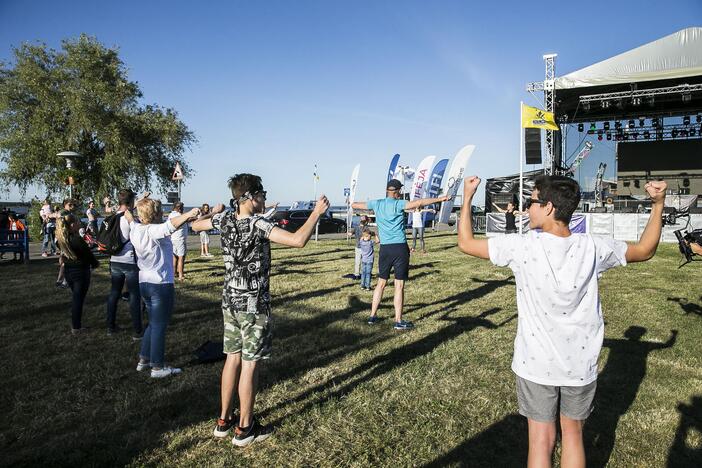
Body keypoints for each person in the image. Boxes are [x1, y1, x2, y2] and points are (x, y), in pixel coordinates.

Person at [456, 174, 667, 468]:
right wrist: (658, 205)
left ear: (549, 207)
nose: (525, 208)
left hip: (535, 364)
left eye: (530, 201)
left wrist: (466, 198)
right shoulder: (593, 247)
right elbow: (645, 251)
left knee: (541, 440)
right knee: (573, 436)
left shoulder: (521, 247)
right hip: (579, 366)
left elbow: (466, 243)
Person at [191, 173, 329, 448]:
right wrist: (316, 213)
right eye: (262, 195)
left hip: (229, 301)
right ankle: (244, 428)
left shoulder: (225, 220)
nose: (264, 199)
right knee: (250, 363)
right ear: (250, 198)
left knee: (232, 358)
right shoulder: (258, 224)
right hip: (253, 305)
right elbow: (297, 240)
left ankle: (223, 421)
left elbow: (195, 226)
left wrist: (216, 212)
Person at [351, 179, 450, 330]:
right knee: (399, 285)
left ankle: (372, 316)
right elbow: (420, 202)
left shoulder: (377, 203)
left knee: (381, 283)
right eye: (400, 191)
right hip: (399, 248)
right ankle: (398, 321)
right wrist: (440, 198)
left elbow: (355, 205)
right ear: (397, 192)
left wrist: (354, 203)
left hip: (385, 249)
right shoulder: (399, 204)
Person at [124, 198, 200, 378]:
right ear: (157, 214)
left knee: (153, 323)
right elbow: (169, 226)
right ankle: (157, 367)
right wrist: (189, 214)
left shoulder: (135, 228)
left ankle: (144, 359)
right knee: (159, 325)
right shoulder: (153, 230)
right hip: (160, 284)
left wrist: (130, 209)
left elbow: (129, 217)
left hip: (144, 283)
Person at [105, 189, 143, 339]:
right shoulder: (129, 219)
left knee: (114, 293)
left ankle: (110, 326)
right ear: (130, 202)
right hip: (129, 261)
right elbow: (138, 237)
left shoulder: (112, 216)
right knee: (134, 295)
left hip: (114, 260)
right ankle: (138, 331)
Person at [55, 213, 99, 334]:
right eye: (78, 223)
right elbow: (88, 255)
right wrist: (95, 263)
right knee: (78, 299)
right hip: (80, 271)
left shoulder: (61, 239)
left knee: (76, 297)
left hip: (69, 271)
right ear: (72, 225)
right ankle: (76, 327)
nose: (80, 224)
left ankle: (76, 325)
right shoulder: (76, 239)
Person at [54, 198, 77, 288]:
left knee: (64, 260)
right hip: (64, 239)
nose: (72, 206)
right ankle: (64, 281)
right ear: (65, 205)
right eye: (70, 205)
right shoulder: (64, 212)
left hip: (63, 239)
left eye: (73, 205)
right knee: (68, 261)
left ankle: (60, 280)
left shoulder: (70, 213)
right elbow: (58, 214)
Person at [168, 202, 188, 281]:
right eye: (182, 208)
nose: (183, 209)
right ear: (179, 208)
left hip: (172, 238)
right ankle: (181, 275)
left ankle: (174, 273)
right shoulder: (179, 215)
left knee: (174, 257)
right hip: (180, 239)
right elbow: (187, 219)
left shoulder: (171, 215)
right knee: (181, 257)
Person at [348, 215, 370, 279]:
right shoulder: (362, 228)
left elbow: (351, 233)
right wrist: (349, 233)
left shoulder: (363, 228)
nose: (361, 220)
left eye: (361, 219)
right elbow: (351, 233)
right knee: (361, 261)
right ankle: (359, 273)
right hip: (361, 247)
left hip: (361, 247)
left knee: (360, 261)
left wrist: (350, 233)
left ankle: (359, 274)